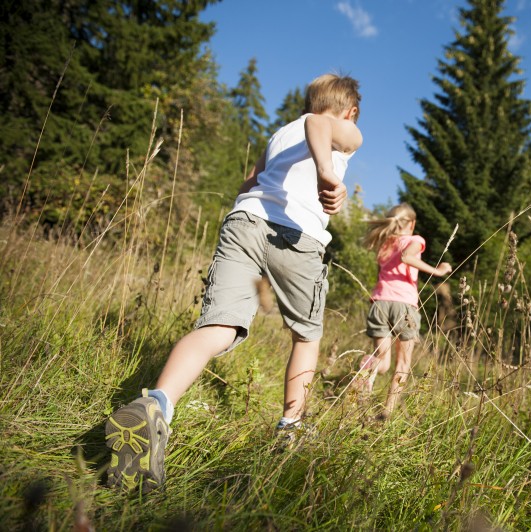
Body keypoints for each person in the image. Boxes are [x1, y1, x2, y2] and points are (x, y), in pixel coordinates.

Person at [105, 73, 363, 492]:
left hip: (245, 222)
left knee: (218, 327)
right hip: (297, 237)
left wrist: (247, 219)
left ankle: (156, 404)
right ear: (350, 111)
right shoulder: (336, 125)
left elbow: (250, 183)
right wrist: (326, 173)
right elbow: (320, 125)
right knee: (305, 336)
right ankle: (290, 427)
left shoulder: (279, 136)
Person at [355, 203, 452, 419]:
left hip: (379, 303)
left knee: (382, 360)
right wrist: (438, 271)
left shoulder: (385, 244)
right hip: (404, 306)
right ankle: (387, 413)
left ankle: (366, 368)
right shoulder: (415, 240)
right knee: (403, 363)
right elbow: (407, 257)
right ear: (412, 224)